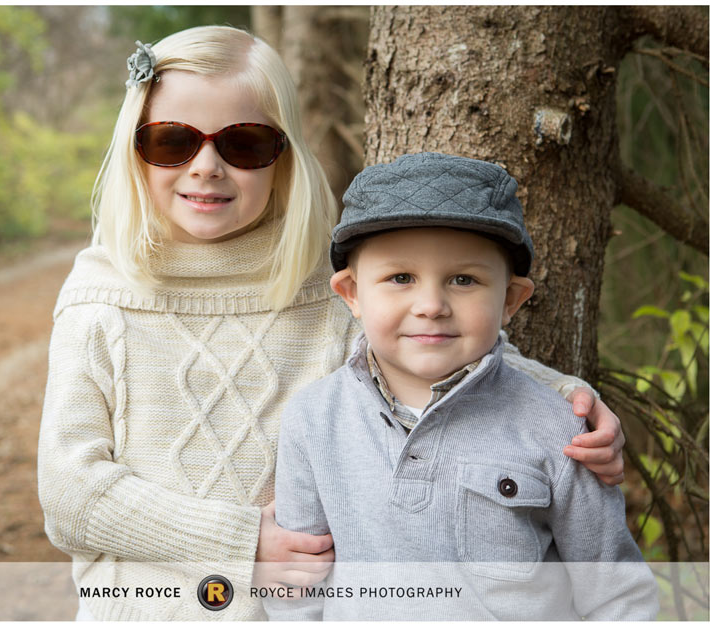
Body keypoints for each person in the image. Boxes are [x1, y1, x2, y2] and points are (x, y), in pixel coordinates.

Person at [37, 26, 628, 621]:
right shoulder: (102, 297)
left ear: (284, 153)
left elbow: (441, 350)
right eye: (171, 142)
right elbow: (67, 492)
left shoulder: (326, 285)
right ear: (135, 151)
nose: (207, 167)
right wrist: (242, 543)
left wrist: (566, 397)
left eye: (243, 144)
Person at [264, 152, 658, 621]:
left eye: (464, 279)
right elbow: (296, 590)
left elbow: (618, 597)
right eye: (401, 278)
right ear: (351, 294)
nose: (431, 304)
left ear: (510, 299)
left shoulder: (559, 429)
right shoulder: (313, 419)